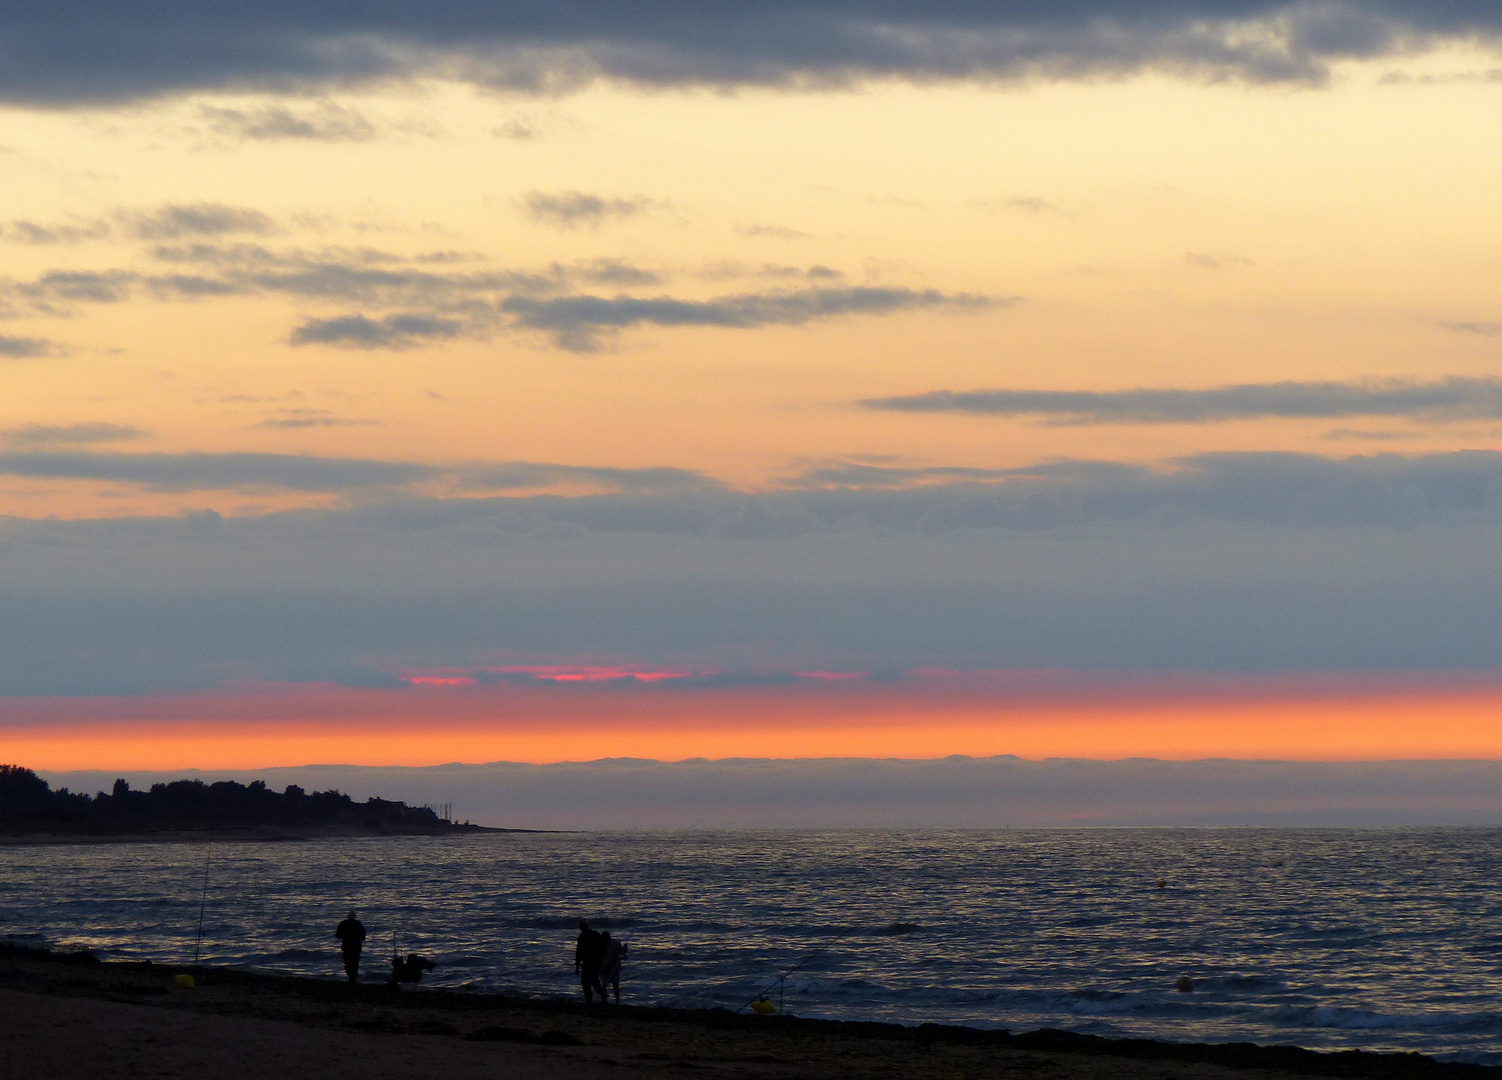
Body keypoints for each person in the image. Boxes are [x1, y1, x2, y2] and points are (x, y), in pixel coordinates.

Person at [574, 919, 607, 1004]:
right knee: (593, 981)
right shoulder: (595, 934)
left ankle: (591, 999)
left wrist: (577, 965)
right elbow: (603, 948)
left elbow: (579, 952)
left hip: (589, 962)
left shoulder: (582, 937)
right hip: (594, 962)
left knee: (587, 982)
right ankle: (600, 997)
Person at [335, 909, 366, 984]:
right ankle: (353, 978)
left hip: (346, 945)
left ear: (348, 916)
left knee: (347, 962)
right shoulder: (358, 924)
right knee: (355, 962)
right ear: (355, 916)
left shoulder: (343, 923)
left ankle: (350, 976)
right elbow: (363, 936)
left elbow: (338, 935)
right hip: (356, 946)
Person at [600, 931, 627, 1005]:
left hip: (615, 967)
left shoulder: (616, 943)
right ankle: (604, 1000)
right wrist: (606, 965)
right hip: (604, 968)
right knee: (604, 984)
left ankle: (617, 1001)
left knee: (615, 985)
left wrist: (624, 950)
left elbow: (622, 955)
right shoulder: (600, 945)